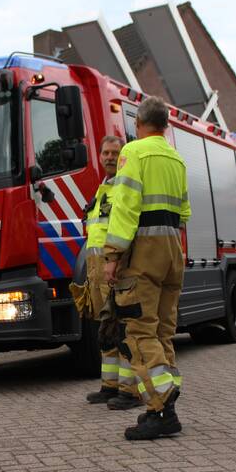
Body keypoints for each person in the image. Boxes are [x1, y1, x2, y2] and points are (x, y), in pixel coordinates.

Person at [103, 97, 190, 440]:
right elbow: (184, 212)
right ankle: (163, 405)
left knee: (139, 332)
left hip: (144, 254)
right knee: (163, 331)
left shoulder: (134, 153)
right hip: (172, 250)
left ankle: (162, 404)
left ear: (139, 124)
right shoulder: (177, 159)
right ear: (165, 125)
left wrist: (112, 256)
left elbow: (125, 207)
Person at [80, 135, 140, 409]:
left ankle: (130, 391)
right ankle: (110, 385)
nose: (109, 157)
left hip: (115, 269)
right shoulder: (102, 189)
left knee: (123, 328)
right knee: (105, 330)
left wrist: (116, 264)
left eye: (115, 153)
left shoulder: (123, 188)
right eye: (105, 152)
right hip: (98, 270)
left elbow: (124, 230)